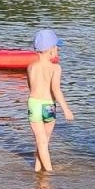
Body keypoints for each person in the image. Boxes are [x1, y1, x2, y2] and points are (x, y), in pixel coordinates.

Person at [26, 29, 74, 172]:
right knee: (44, 141)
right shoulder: (55, 68)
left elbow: (30, 87)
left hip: (34, 104)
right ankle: (49, 173)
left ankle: (37, 170)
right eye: (56, 47)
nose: (58, 49)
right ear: (51, 50)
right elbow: (56, 90)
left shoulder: (30, 67)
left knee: (41, 142)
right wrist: (66, 108)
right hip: (48, 106)